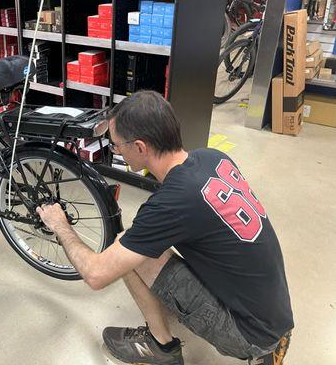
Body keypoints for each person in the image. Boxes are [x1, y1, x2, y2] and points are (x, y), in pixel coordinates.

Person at [36, 91, 293, 365]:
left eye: (117, 146)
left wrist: (60, 225)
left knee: (126, 252)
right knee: (143, 245)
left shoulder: (172, 203)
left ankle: (162, 348)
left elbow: (96, 275)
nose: (116, 151)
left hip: (250, 336)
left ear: (140, 147)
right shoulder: (212, 157)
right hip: (276, 316)